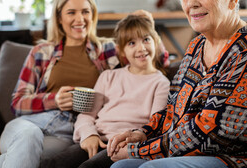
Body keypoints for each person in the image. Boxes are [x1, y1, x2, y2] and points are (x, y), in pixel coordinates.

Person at [107, 0, 247, 168]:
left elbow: (212, 134)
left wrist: (138, 150)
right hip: (189, 152)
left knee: (149, 167)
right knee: (121, 167)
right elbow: (173, 108)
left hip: (237, 158)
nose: (192, 2)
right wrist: (142, 133)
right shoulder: (197, 46)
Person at [0, 0, 169, 168]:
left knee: (16, 159)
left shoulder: (106, 50)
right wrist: (54, 100)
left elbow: (153, 59)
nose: (79, 18)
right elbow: (17, 102)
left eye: (85, 11)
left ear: (93, 15)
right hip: (31, 123)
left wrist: (147, 25)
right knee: (28, 137)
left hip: (66, 130)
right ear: (59, 18)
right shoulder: (42, 52)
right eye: (71, 12)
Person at [41, 15, 170, 168]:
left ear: (155, 42)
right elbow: (87, 114)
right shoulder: (108, 76)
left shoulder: (161, 83)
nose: (141, 48)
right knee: (52, 164)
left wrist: (131, 140)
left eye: (146, 40)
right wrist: (89, 135)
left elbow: (155, 125)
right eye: (131, 43)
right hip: (98, 138)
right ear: (122, 51)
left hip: (124, 144)